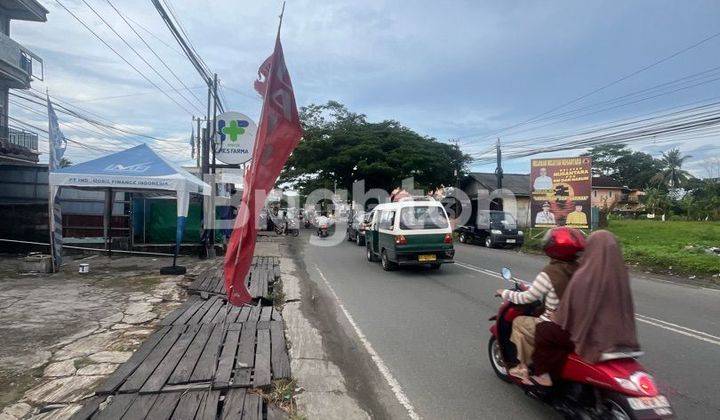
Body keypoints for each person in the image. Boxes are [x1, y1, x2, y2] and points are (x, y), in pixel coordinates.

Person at [496, 227, 585, 385]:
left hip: (553, 324)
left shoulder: (550, 272)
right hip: (578, 325)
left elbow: (527, 297)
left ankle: (523, 368)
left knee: (518, 322)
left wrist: (505, 293)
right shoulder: (581, 269)